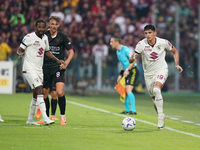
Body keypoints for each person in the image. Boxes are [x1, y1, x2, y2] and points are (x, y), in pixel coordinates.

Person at [129, 24, 183, 129]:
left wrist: (176, 63)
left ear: (155, 33)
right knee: (154, 99)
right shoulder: (141, 44)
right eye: (146, 33)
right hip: (148, 74)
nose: (148, 35)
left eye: (150, 33)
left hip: (161, 70)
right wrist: (132, 58)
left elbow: (175, 51)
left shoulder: (163, 42)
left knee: (157, 90)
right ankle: (161, 114)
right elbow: (133, 59)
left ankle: (160, 117)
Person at [17, 19, 64, 125]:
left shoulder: (45, 38)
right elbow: (20, 49)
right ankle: (45, 117)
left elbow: (47, 52)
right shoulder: (29, 37)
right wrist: (20, 52)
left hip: (39, 69)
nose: (42, 29)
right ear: (36, 27)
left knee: (35, 95)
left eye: (43, 27)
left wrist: (57, 60)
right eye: (39, 27)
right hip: (29, 68)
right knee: (39, 89)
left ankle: (29, 120)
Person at [36, 16, 74, 125]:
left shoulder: (62, 37)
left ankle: (62, 116)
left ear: (58, 25)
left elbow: (71, 52)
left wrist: (66, 63)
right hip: (45, 67)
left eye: (55, 24)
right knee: (44, 94)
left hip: (58, 67)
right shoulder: (44, 36)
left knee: (60, 92)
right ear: (49, 24)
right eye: (52, 24)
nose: (53, 26)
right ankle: (46, 117)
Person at [110, 35, 139, 115]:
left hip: (132, 71)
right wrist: (120, 74)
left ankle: (133, 110)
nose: (110, 43)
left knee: (128, 90)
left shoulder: (125, 49)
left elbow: (133, 59)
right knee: (123, 90)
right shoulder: (117, 51)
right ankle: (127, 109)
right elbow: (124, 63)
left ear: (117, 42)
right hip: (126, 72)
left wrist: (127, 69)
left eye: (112, 42)